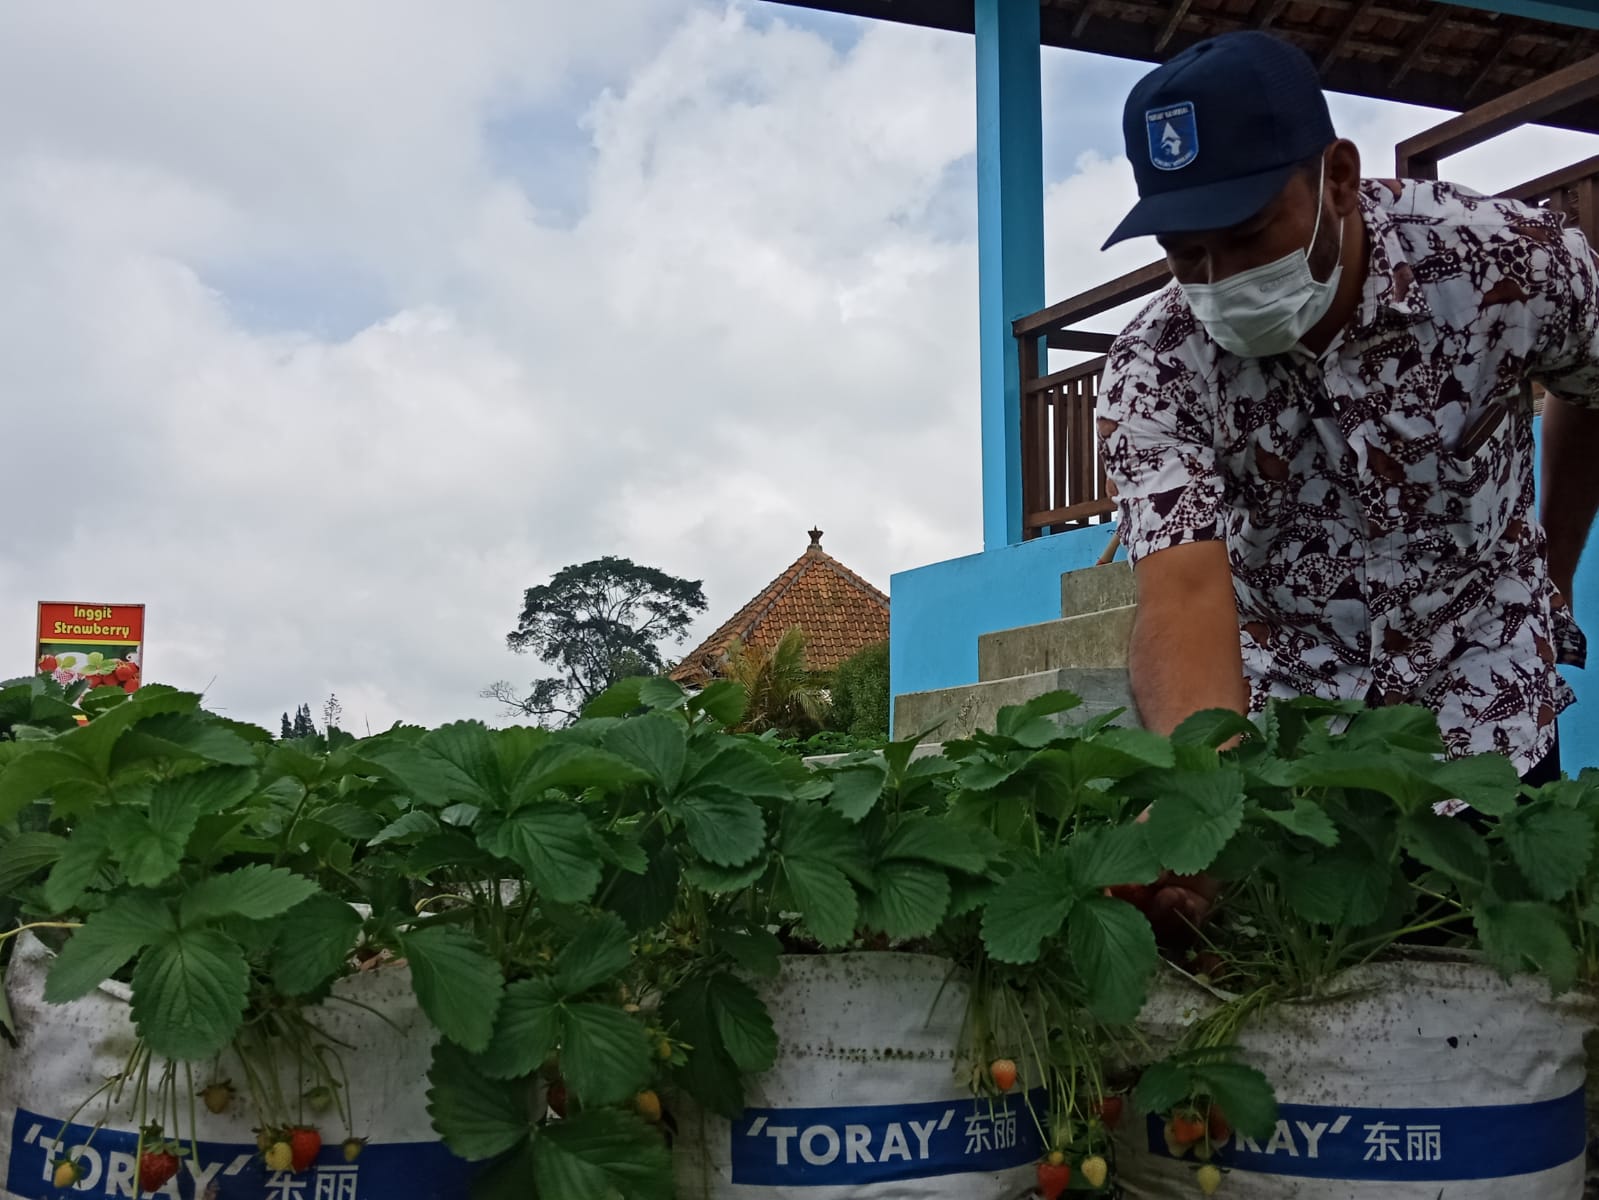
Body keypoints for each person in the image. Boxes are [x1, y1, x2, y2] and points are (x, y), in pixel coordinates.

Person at [1095, 29, 1599, 790]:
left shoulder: (1502, 265)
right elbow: (1184, 591)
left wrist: (1552, 572)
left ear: (1337, 177)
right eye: (1183, 249)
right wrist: (1199, 797)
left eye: (1246, 236)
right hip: (1299, 745)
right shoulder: (1156, 370)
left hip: (1492, 714)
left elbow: (1591, 384)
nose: (1218, 279)